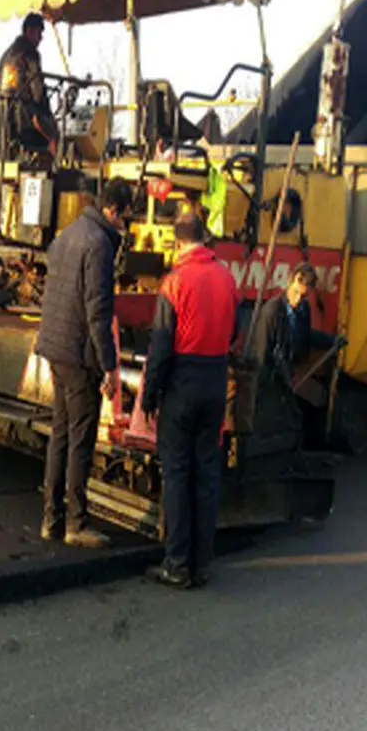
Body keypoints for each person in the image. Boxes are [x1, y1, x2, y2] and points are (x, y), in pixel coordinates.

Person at [140, 207, 240, 589]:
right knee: (207, 475)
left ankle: (177, 563)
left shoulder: (174, 282)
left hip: (182, 385)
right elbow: (234, 332)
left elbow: (161, 345)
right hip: (215, 382)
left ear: (178, 242)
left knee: (177, 474)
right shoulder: (227, 278)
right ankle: (202, 562)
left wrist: (149, 397)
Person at [34, 178, 132, 548]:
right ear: (113, 211)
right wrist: (110, 365)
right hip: (79, 353)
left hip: (55, 347)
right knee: (81, 439)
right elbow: (98, 311)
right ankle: (76, 523)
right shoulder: (99, 245)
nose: (124, 224)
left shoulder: (67, 235)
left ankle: (51, 519)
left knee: (59, 434)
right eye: (124, 216)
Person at [250, 262, 339, 384]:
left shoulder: (303, 309)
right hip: (271, 380)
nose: (297, 300)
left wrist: (332, 341)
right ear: (289, 282)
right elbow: (261, 353)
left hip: (288, 378)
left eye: (303, 296)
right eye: (296, 293)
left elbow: (306, 336)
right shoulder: (271, 311)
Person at [0, 13, 59, 159]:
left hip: (5, 122)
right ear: (29, 31)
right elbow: (38, 92)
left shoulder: (6, 55)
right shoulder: (30, 53)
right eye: (39, 32)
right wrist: (48, 117)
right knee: (56, 135)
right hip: (25, 120)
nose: (41, 38)